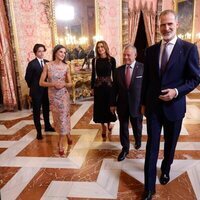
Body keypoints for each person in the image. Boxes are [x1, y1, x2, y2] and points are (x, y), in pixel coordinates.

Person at [141, 10, 200, 200]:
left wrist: (176, 92)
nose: (166, 28)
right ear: (158, 26)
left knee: (170, 145)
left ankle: (165, 169)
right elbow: (147, 81)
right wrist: (142, 103)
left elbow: (195, 78)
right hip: (153, 108)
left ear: (177, 25)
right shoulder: (150, 51)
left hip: (175, 108)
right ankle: (149, 187)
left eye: (169, 24)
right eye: (162, 25)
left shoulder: (189, 49)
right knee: (152, 146)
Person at [110, 45, 144, 161]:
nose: (126, 57)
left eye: (128, 55)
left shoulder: (143, 68)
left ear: (135, 55)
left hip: (137, 105)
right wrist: (112, 104)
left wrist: (145, 104)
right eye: (124, 54)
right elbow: (114, 88)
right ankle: (125, 148)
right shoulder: (118, 70)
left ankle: (138, 140)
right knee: (123, 127)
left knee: (137, 125)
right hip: (122, 105)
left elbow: (146, 89)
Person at [39, 44, 73, 156]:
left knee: (63, 117)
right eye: (61, 52)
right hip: (53, 97)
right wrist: (53, 84)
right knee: (58, 119)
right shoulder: (47, 65)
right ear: (55, 53)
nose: (63, 54)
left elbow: (70, 83)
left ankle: (60, 143)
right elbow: (41, 82)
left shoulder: (66, 66)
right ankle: (68, 135)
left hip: (63, 96)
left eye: (64, 52)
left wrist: (64, 84)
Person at [25, 43, 55, 140]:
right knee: (37, 112)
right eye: (39, 51)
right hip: (36, 92)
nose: (41, 53)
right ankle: (38, 131)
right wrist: (34, 87)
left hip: (46, 91)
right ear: (35, 52)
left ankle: (47, 126)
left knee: (46, 110)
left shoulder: (47, 62)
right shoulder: (32, 64)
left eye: (43, 51)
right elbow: (27, 78)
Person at [91, 40, 117, 141]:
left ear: (105, 47)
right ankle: (103, 127)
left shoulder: (112, 60)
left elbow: (114, 75)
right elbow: (93, 75)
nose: (100, 49)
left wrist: (116, 88)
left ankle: (109, 124)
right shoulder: (95, 60)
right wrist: (92, 87)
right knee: (100, 107)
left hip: (109, 87)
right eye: (98, 47)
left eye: (102, 47)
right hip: (98, 87)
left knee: (108, 106)